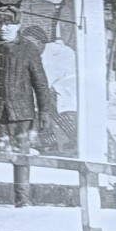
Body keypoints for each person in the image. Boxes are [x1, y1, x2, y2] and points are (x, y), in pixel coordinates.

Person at [0, 6, 52, 207]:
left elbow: (40, 82)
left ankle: (22, 198)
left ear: (18, 26)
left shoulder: (29, 49)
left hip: (21, 113)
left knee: (21, 156)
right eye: (1, 24)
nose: (4, 28)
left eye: (9, 24)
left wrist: (44, 111)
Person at [22, 25, 78, 156]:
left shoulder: (56, 53)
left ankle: (67, 140)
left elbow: (44, 83)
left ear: (39, 41)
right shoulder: (38, 53)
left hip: (67, 91)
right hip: (56, 90)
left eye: (30, 42)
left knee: (43, 105)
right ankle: (49, 142)